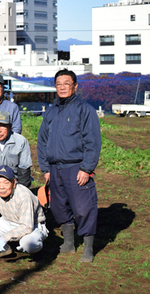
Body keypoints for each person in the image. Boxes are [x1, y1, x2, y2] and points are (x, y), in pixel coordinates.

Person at [37, 69, 101, 263]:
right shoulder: (51, 111)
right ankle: (69, 243)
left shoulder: (84, 110)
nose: (62, 87)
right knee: (58, 206)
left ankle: (88, 247)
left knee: (83, 208)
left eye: (66, 83)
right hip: (55, 169)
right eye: (59, 84)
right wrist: (46, 169)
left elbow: (92, 141)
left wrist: (86, 168)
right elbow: (42, 141)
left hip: (76, 168)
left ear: (75, 86)